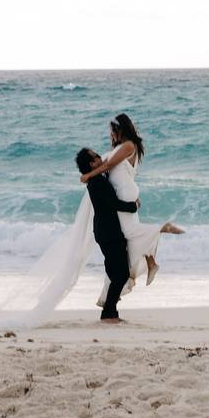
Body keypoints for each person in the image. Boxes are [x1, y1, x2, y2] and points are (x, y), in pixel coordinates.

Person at [81, 114, 183, 300]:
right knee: (128, 235)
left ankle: (161, 229)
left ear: (121, 130)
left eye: (113, 131)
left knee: (129, 233)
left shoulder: (128, 145)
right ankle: (149, 262)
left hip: (124, 193)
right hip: (123, 192)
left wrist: (89, 175)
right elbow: (107, 163)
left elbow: (109, 164)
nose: (111, 135)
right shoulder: (120, 147)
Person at [75, 147, 139, 323]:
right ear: (92, 163)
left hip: (105, 231)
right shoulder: (97, 182)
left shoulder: (97, 179)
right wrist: (134, 206)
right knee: (121, 274)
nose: (99, 156)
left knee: (115, 272)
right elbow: (114, 204)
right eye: (96, 156)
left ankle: (111, 312)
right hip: (108, 232)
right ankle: (108, 313)